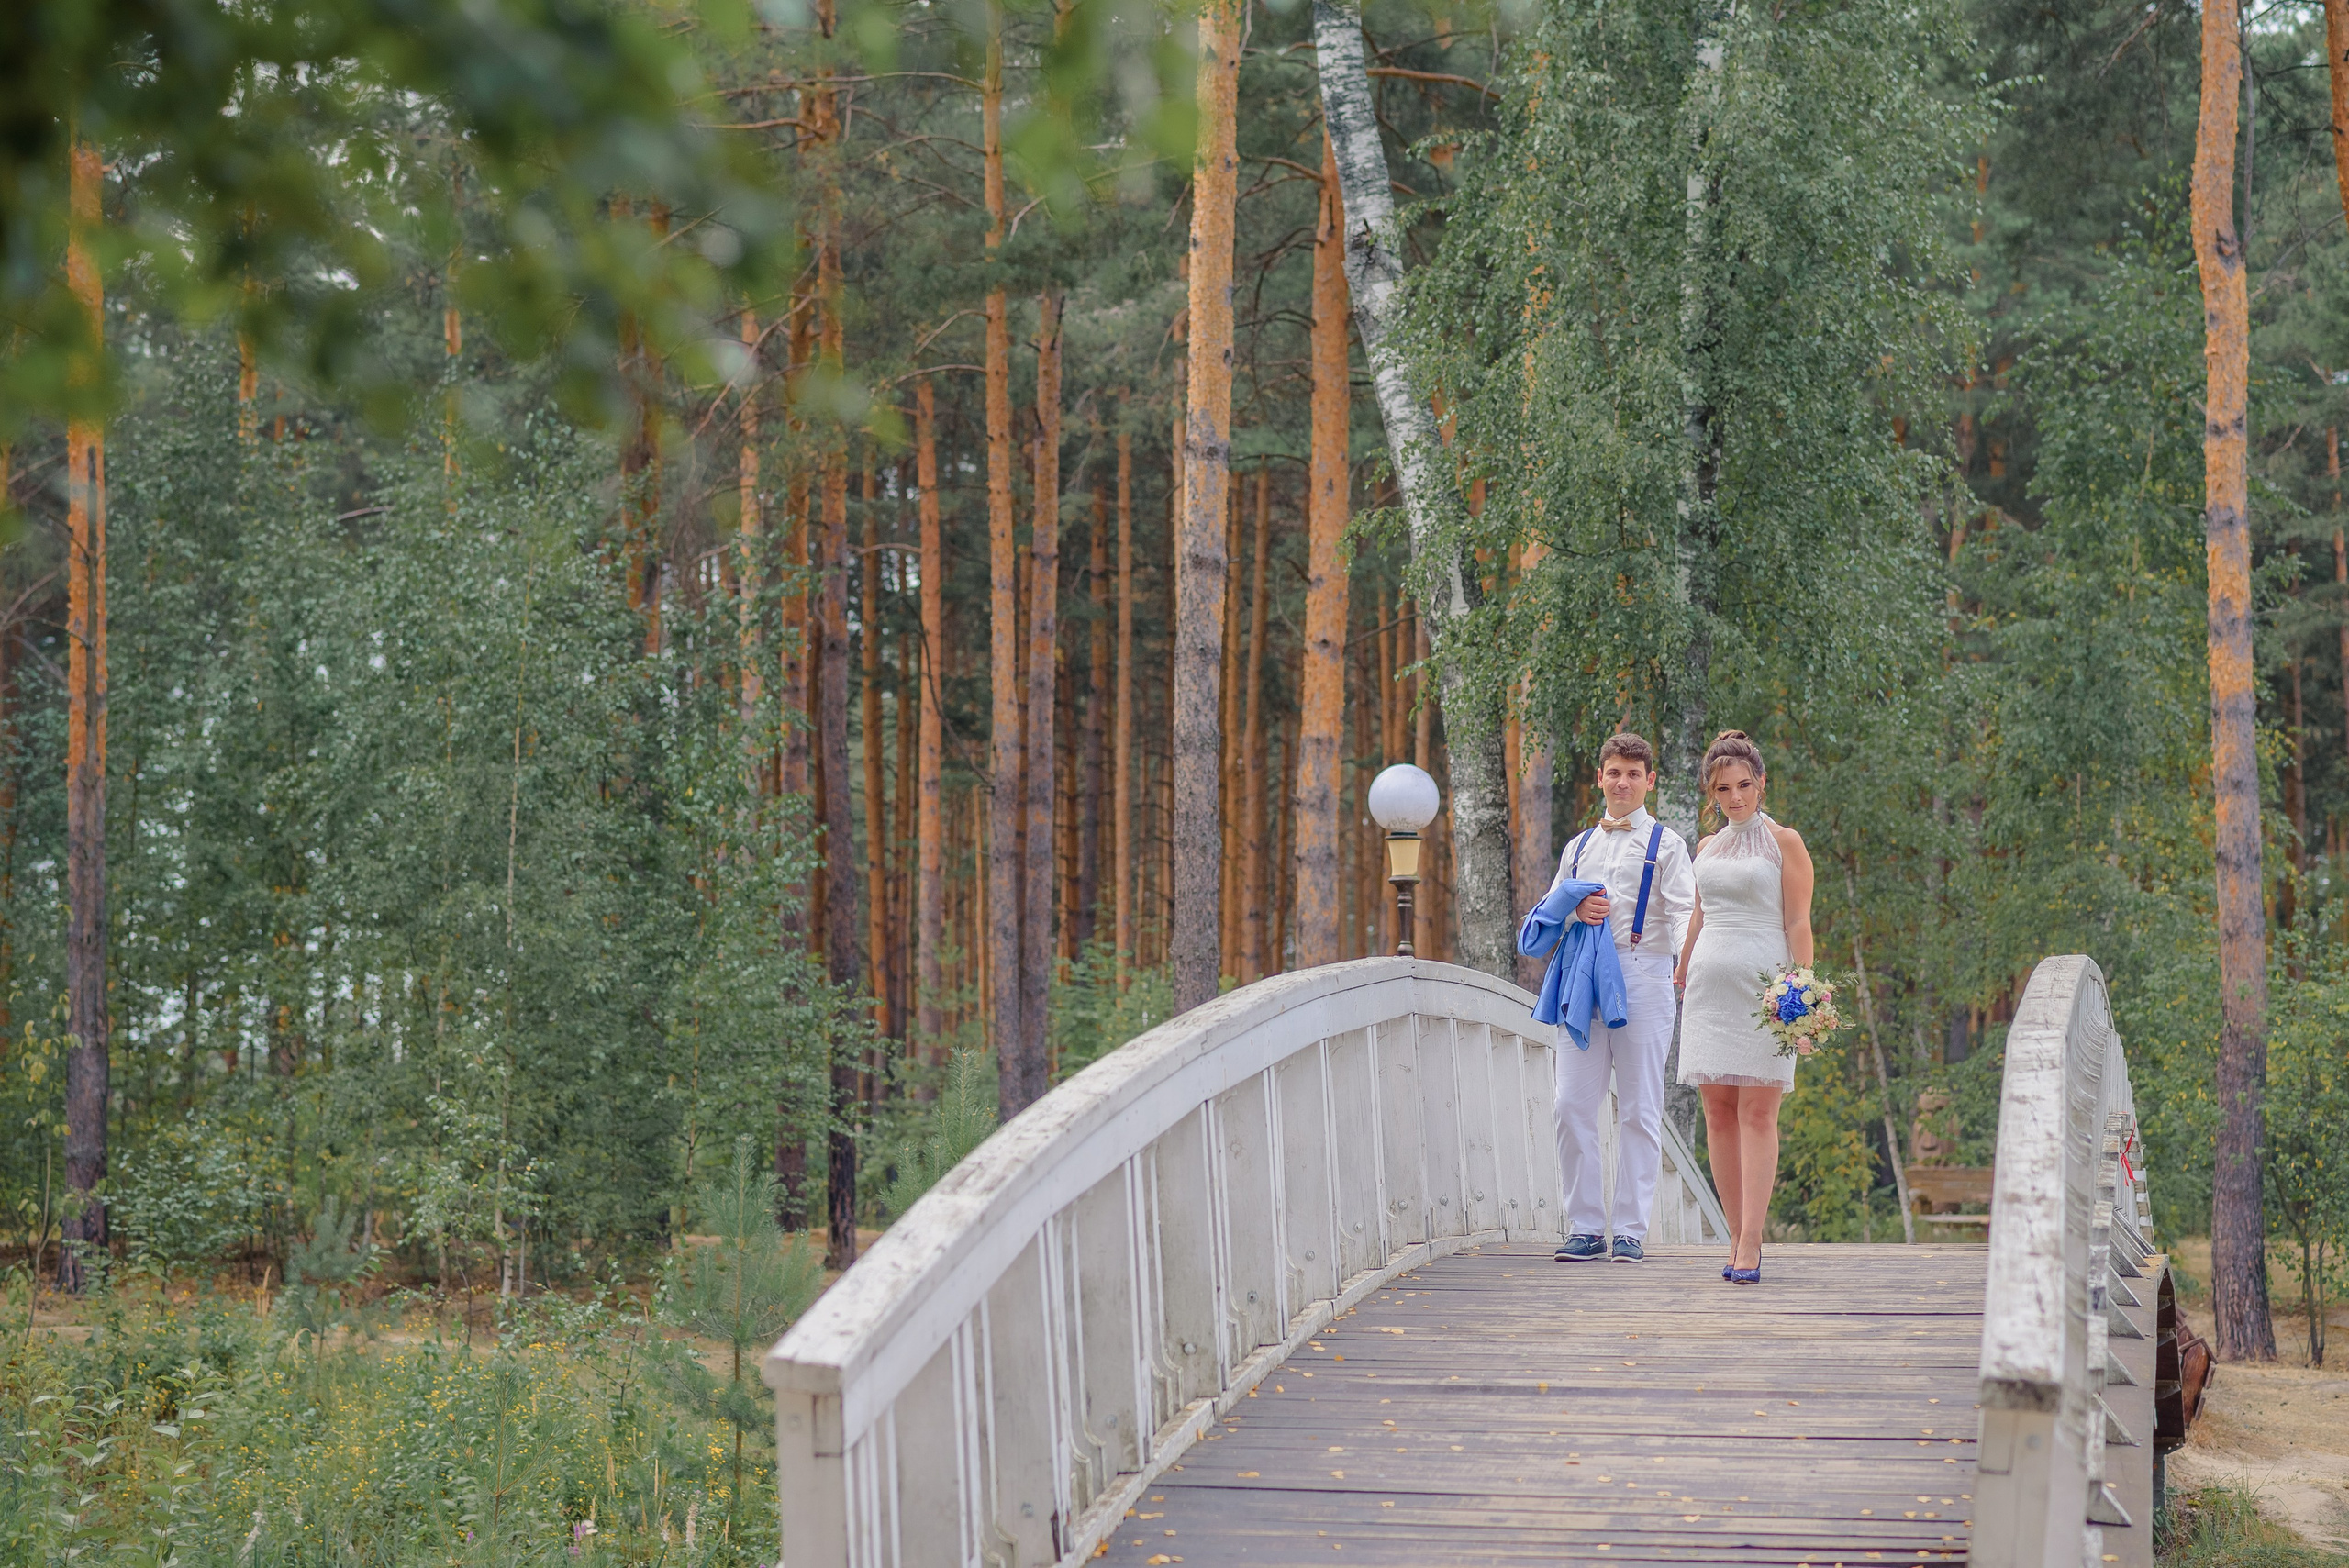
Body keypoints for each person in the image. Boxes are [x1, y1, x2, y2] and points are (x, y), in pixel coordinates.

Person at [1545, 733, 1696, 1265]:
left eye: (1634, 774)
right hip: (1584, 978)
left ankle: (1630, 1229)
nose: (1623, 782)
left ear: (1650, 780)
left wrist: (1687, 965)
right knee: (1571, 1105)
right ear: (1601, 777)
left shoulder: (1669, 845)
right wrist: (1573, 913)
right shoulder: (1579, 846)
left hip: (1644, 976)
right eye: (1615, 772)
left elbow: (1682, 912)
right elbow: (1553, 908)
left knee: (1639, 1108)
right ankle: (1585, 1227)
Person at [1673, 730, 1816, 1285]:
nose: (1735, 798)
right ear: (1711, 792)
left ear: (1761, 783)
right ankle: (1733, 1234)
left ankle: (1753, 1239)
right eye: (1723, 788)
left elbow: (1798, 922)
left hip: (1766, 988)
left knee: (1759, 1112)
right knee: (1717, 1113)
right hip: (1709, 986)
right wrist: (1682, 967)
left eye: (1743, 785)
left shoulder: (1786, 843)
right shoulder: (1706, 848)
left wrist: (1799, 994)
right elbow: (1699, 914)